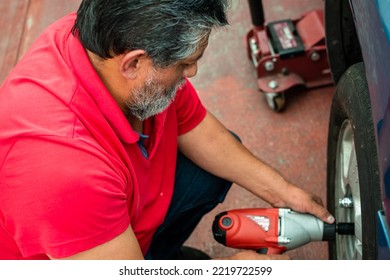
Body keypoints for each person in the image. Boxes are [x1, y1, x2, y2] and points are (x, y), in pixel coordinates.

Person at [0, 0, 334, 260]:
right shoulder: (61, 170)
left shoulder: (102, 40)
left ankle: (151, 253)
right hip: (77, 256)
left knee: (212, 168)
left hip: (108, 209)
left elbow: (194, 124)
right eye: (185, 63)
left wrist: (284, 192)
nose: (194, 72)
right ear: (133, 63)